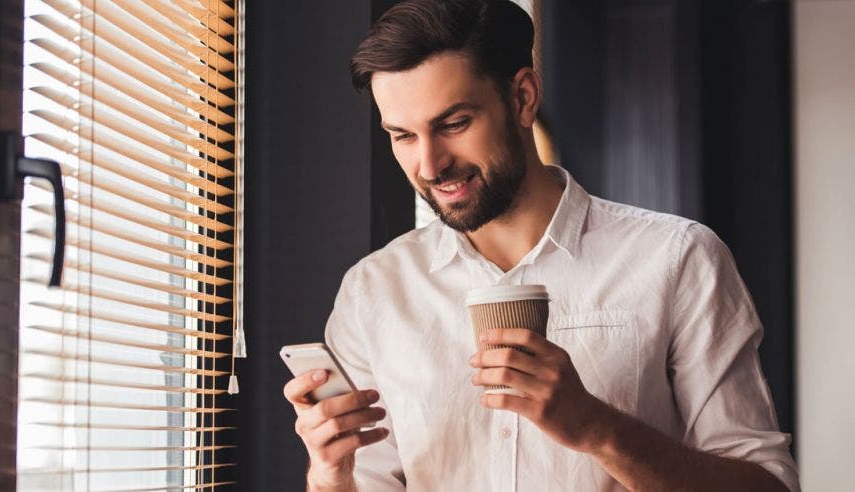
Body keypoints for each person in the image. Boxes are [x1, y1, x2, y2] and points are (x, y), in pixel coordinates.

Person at [282, 1, 800, 490]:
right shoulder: (373, 291)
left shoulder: (678, 259)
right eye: (403, 136)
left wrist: (597, 429)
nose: (429, 165)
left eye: (454, 124)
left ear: (523, 96)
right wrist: (330, 475)